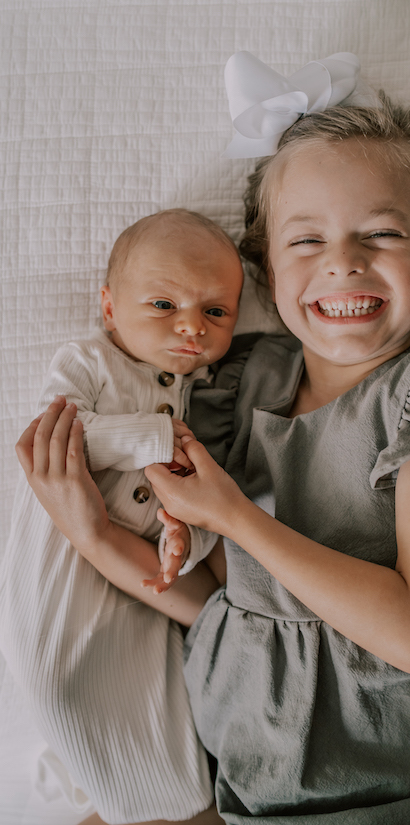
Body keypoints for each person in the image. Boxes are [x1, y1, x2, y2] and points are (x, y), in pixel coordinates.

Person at [5, 97, 410, 825]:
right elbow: (224, 603)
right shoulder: (244, 388)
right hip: (249, 775)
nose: (343, 261)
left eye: (382, 233)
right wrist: (92, 534)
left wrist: (235, 516)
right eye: (306, 240)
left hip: (400, 780)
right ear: (266, 269)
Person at [1, 207, 244, 825]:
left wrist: (179, 538)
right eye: (164, 305)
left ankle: (152, 801)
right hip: (61, 573)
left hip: (134, 592)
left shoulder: (201, 394)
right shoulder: (90, 362)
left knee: (159, 720)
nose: (191, 325)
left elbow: (182, 508)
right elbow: (56, 439)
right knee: (66, 685)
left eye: (216, 312)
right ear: (109, 308)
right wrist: (159, 439)